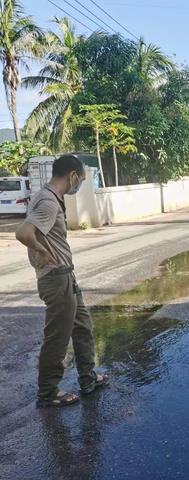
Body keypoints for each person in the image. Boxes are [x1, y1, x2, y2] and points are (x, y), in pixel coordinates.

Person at [16, 154, 108, 408]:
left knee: (82, 327)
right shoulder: (47, 201)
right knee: (58, 337)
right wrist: (42, 251)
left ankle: (88, 378)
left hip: (65, 275)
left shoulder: (50, 198)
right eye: (80, 179)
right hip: (56, 279)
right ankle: (48, 392)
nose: (79, 184)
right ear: (72, 176)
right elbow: (23, 232)